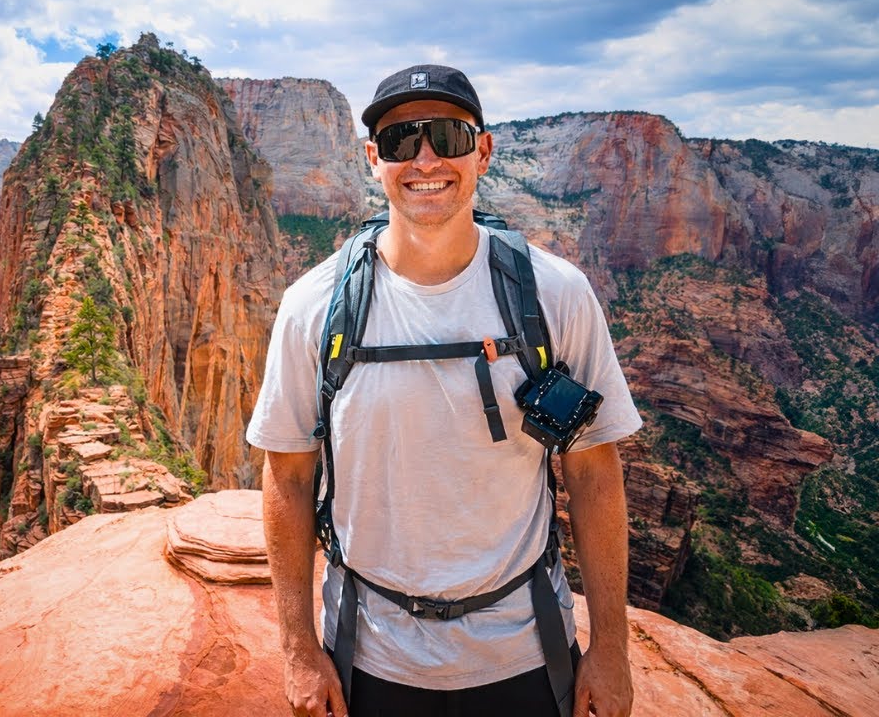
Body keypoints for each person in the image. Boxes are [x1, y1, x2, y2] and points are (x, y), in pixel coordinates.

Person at [247, 64, 642, 717]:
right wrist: (296, 647)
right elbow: (286, 479)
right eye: (402, 141)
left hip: (527, 656)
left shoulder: (555, 295)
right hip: (366, 662)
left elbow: (595, 475)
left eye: (449, 137)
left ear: (482, 151)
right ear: (374, 159)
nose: (426, 159)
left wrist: (612, 648)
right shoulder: (312, 309)